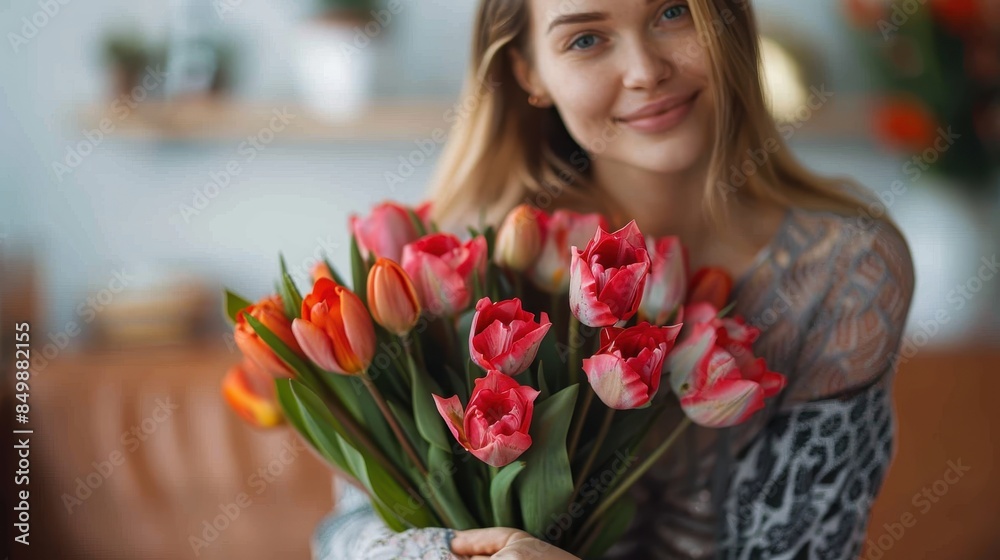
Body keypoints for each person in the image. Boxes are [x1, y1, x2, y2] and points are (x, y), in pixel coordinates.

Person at [312, 0, 917, 558]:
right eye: (586, 39)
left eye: (673, 12)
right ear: (529, 74)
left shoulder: (843, 270)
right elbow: (344, 535)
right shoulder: (464, 265)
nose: (646, 71)